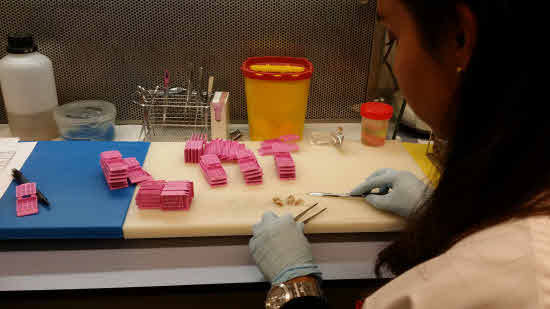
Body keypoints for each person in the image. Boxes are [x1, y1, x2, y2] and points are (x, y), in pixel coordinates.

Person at [249, 0, 545, 308]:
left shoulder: (494, 278)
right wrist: (435, 214)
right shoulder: (523, 191)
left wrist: (296, 287)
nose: (396, 58)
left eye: (394, 36)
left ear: (459, 38)